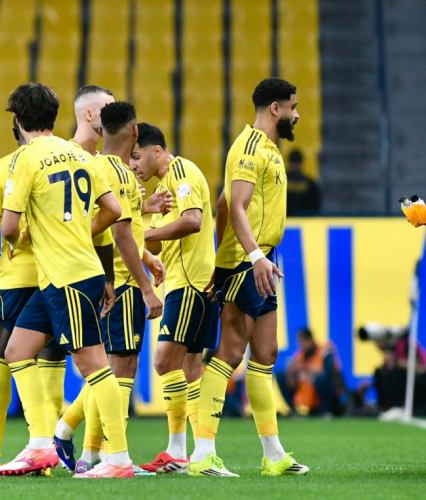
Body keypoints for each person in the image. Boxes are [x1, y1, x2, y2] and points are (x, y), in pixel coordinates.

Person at [0, 83, 135, 478]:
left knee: (93, 364)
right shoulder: (79, 155)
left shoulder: (26, 159)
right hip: (66, 275)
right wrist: (77, 233)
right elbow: (113, 209)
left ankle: (119, 458)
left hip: (67, 278)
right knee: (17, 350)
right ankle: (41, 445)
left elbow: (8, 228)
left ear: (18, 120)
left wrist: (19, 242)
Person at [192, 77, 309, 477]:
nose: (297, 114)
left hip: (260, 257)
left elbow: (224, 202)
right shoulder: (248, 148)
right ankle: (202, 454)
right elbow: (238, 206)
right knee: (229, 352)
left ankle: (273, 456)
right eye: (293, 106)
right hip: (248, 260)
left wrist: (226, 256)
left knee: (266, 353)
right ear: (276, 109)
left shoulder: (269, 150)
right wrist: (246, 257)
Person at [53, 102, 166, 476]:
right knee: (118, 369)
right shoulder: (117, 172)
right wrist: (145, 286)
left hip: (107, 278)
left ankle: (91, 453)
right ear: (135, 132)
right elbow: (120, 234)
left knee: (114, 367)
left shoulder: (95, 166)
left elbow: (121, 230)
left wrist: (147, 256)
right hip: (122, 282)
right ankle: (98, 450)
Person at [0, 117, 67, 477]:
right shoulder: (68, 159)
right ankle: (45, 456)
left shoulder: (1, 169)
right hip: (57, 276)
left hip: (15, 280)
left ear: (17, 128)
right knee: (52, 365)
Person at [128, 122, 219, 474]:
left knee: (164, 361)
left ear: (157, 151)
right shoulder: (162, 190)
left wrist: (147, 230)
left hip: (190, 283)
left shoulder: (181, 171)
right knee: (190, 368)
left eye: (137, 156)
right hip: (191, 281)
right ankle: (202, 452)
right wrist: (144, 216)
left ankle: (177, 450)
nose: (133, 164)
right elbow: (153, 243)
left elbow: (193, 221)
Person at [276, 328, 346, 416]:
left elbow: (328, 373)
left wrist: (306, 369)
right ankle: (295, 410)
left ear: (310, 339)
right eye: (299, 342)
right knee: (280, 374)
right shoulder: (300, 357)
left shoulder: (324, 351)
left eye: (303, 341)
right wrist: (291, 376)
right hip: (307, 396)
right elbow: (292, 384)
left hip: (328, 394)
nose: (301, 344)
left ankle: (326, 411)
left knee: (320, 379)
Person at [285, 149, 321, 216]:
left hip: (283, 219)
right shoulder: (310, 183)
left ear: (288, 163)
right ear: (301, 163)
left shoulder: (279, 181)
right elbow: (315, 207)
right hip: (304, 220)